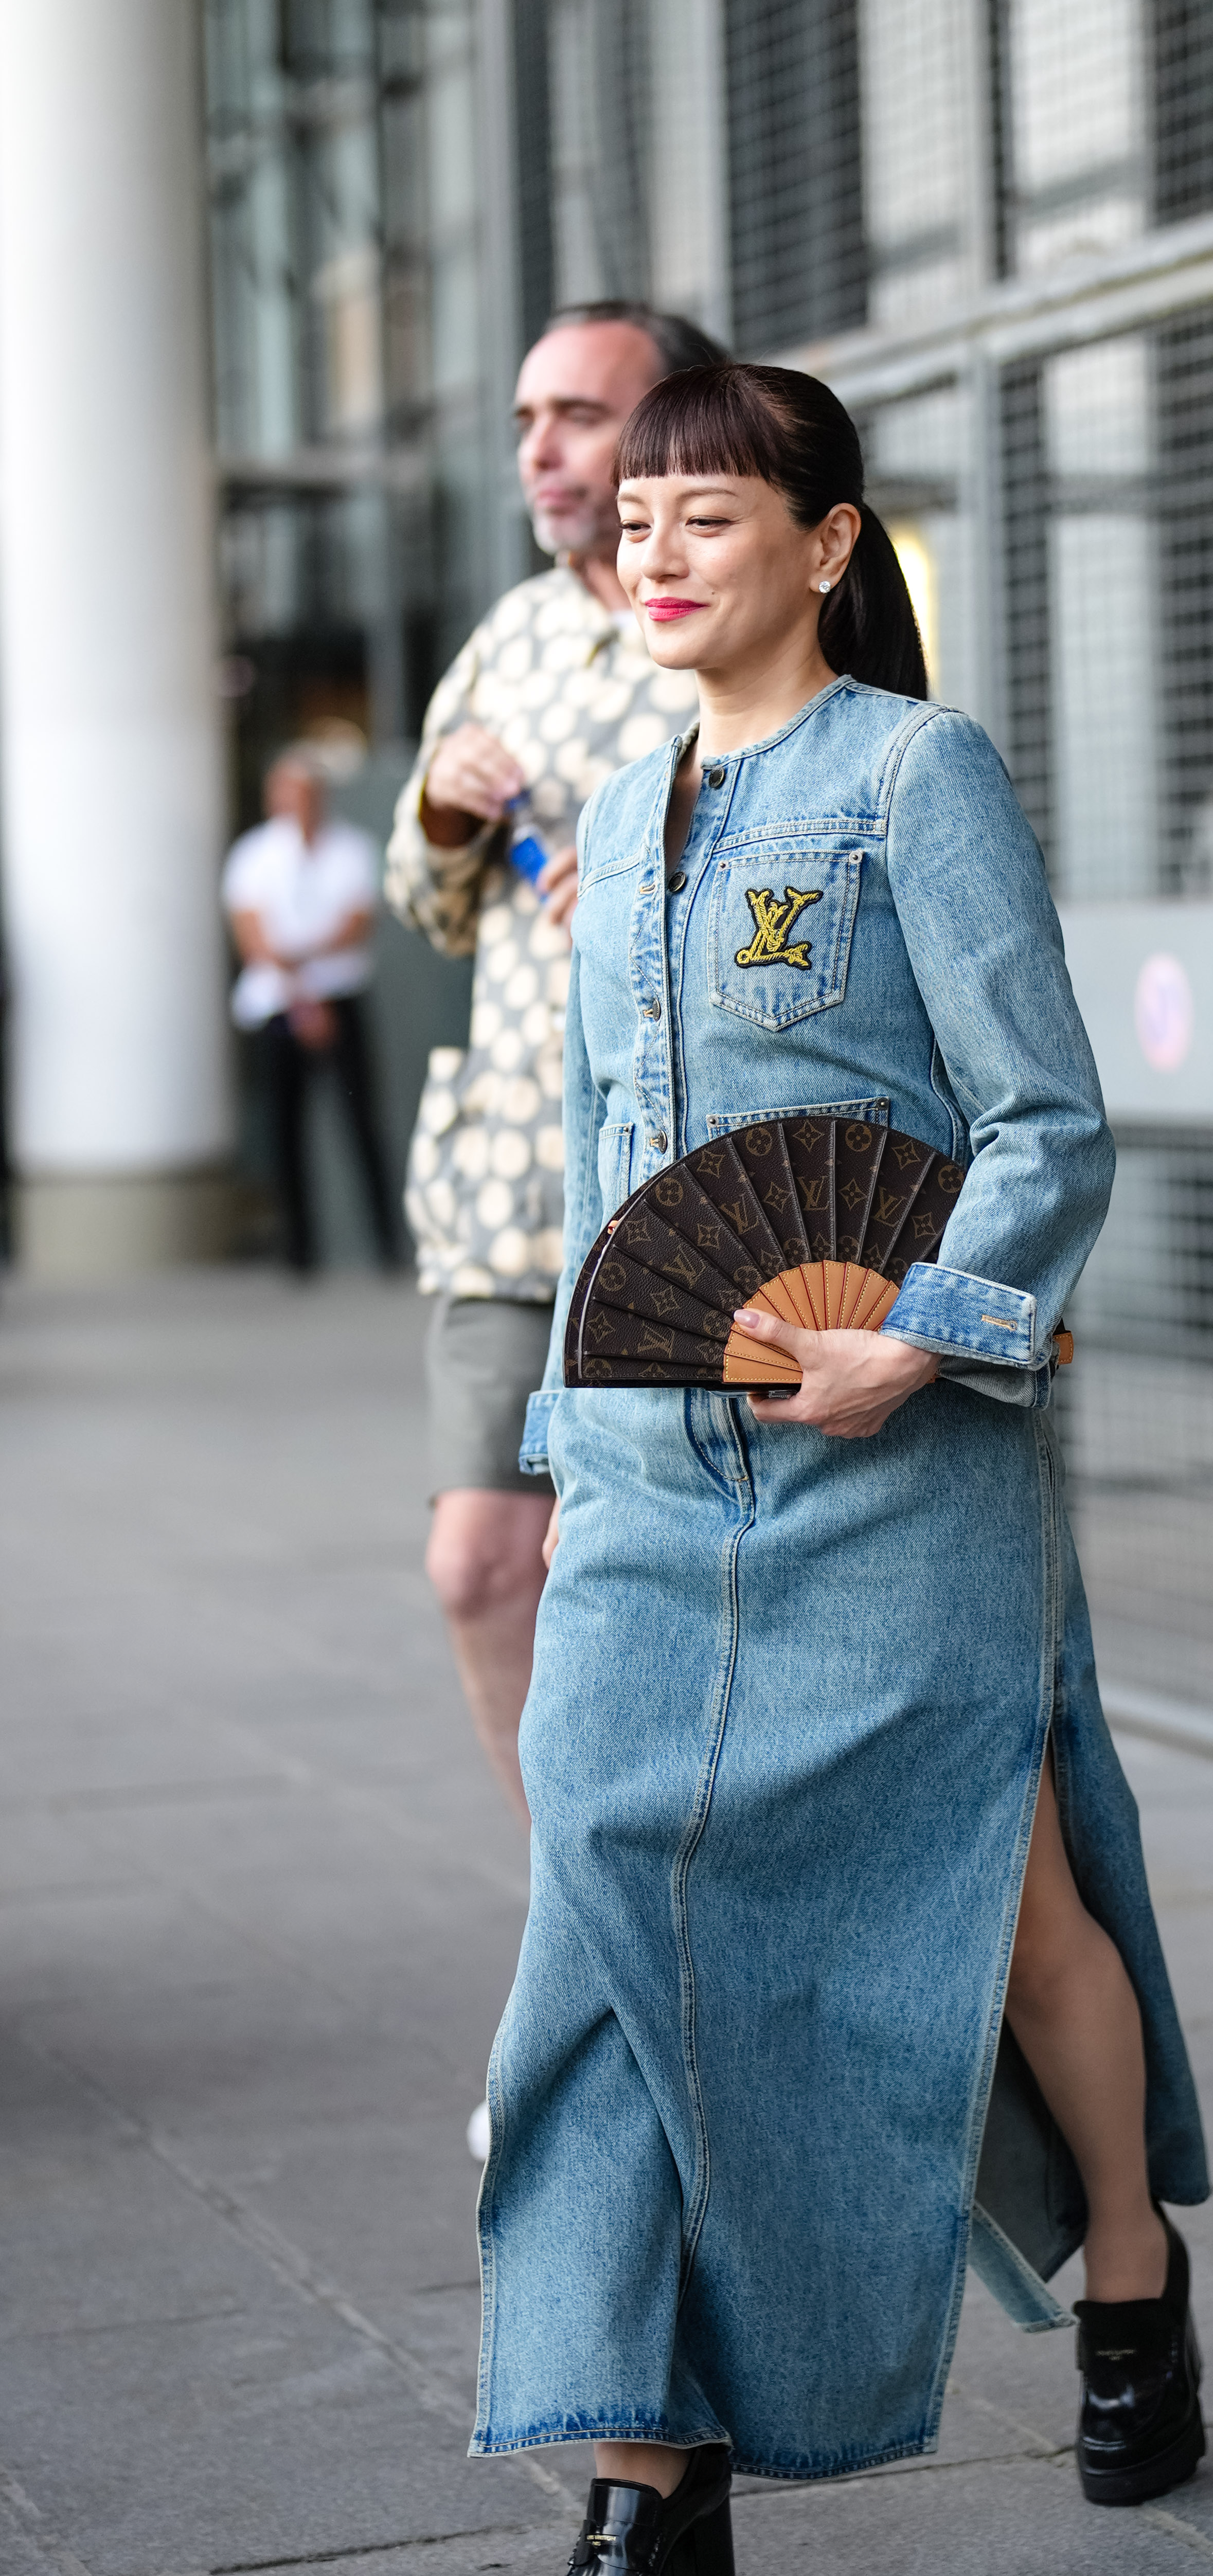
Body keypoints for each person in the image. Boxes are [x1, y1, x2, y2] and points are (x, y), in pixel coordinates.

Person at [484, 363, 1211, 2576]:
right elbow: (617, 1176)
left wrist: (935, 1325)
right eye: (638, 521)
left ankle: (1124, 2266)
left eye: (712, 511)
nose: (658, 548)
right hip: (649, 1471)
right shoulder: (617, 810)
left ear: (824, 539)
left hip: (898, 1450)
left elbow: (1044, 1115)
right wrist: (568, 1426)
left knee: (1000, 1910)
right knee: (601, 1938)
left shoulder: (919, 773)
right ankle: (639, 2476)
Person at [385, 302, 726, 1895]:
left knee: (660, 1593)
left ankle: (687, 1947)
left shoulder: (735, 618)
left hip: (684, 1193)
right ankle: (580, 1927)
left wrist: (675, 885)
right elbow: (427, 897)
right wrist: (443, 814)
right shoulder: (510, 630)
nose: (539, 448)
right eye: (528, 415)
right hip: (507, 1185)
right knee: (475, 1568)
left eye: (580, 413)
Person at [225, 746, 401, 1272]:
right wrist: (302, 990)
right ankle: (298, 1253)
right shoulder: (253, 856)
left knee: (361, 1122)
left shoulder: (352, 849)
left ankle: (385, 1246)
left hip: (340, 998)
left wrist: (301, 964)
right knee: (287, 1129)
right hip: (280, 1003)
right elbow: (253, 937)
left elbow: (356, 923)